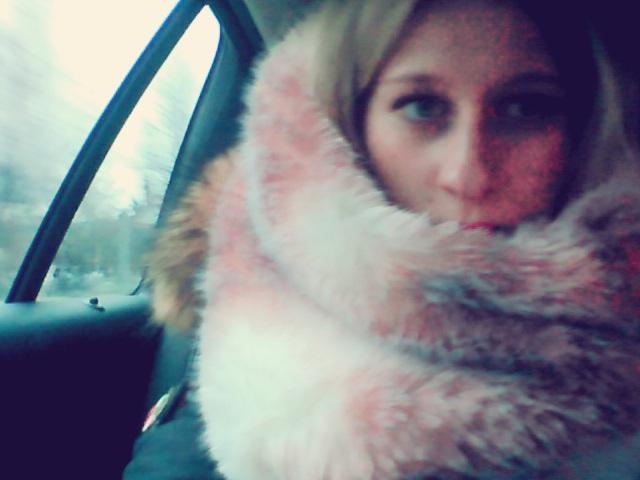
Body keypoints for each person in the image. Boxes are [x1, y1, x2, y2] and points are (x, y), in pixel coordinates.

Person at [126, 0, 640, 478]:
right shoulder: (251, 351)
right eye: (422, 107)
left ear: (582, 130)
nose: (469, 173)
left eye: (524, 108)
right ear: (347, 129)